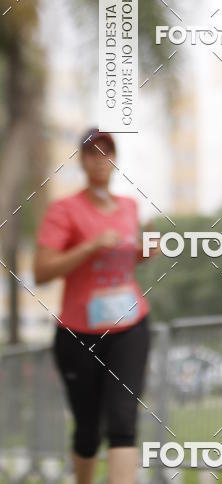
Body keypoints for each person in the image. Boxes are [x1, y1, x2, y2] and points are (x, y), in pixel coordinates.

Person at [34, 128, 156, 484]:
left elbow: (124, 263)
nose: (100, 161)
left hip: (130, 328)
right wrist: (89, 247)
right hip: (78, 335)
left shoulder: (130, 208)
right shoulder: (64, 210)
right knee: (88, 431)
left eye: (107, 153)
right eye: (92, 154)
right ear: (82, 161)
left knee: (123, 422)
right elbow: (42, 272)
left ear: (114, 160)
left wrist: (145, 252)